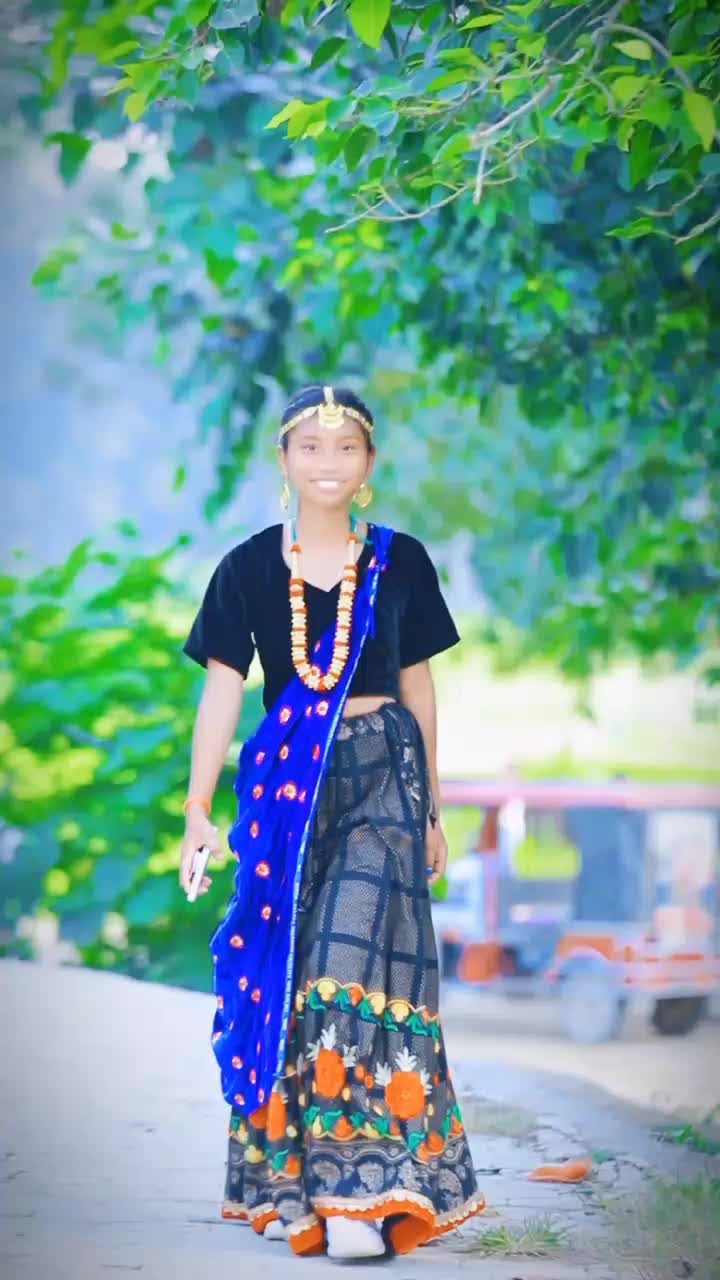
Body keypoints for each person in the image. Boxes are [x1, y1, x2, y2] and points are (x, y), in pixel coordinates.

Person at [179, 385, 485, 1260]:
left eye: (346, 447)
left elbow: (420, 687)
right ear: (283, 461)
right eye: (310, 447)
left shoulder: (400, 560)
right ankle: (304, 1191)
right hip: (289, 791)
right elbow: (223, 692)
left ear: (370, 464)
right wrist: (198, 810)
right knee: (290, 973)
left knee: (341, 966)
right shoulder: (245, 568)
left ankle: (360, 1196)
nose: (328, 462)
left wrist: (433, 809)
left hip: (385, 777)